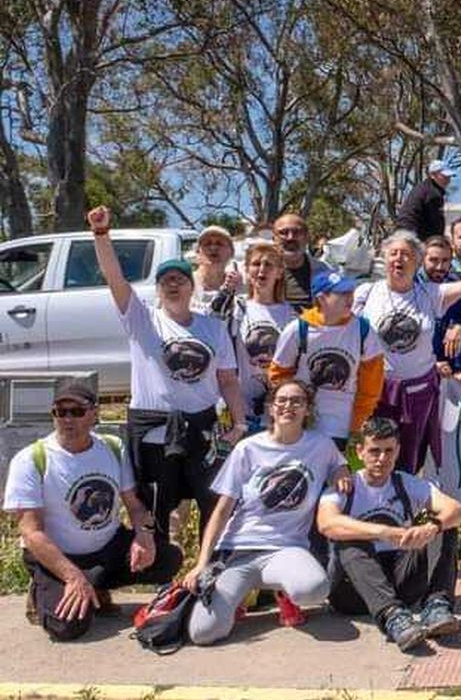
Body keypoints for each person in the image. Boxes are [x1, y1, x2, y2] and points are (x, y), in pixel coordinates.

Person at [88, 206, 246, 541]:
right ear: (157, 290)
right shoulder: (142, 320)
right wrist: (101, 234)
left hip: (202, 428)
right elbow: (114, 277)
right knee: (159, 504)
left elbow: (228, 380)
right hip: (155, 431)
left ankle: (208, 569)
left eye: (179, 279)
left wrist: (240, 423)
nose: (173, 285)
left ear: (192, 287)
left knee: (212, 499)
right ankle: (162, 566)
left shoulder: (213, 328)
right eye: (165, 281)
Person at [5, 379, 182, 641]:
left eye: (76, 412)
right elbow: (32, 534)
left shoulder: (111, 448)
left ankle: (95, 586)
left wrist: (143, 536)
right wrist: (73, 576)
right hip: (59, 558)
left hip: (106, 549)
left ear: (94, 414)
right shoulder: (32, 459)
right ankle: (45, 590)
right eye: (60, 412)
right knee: (67, 627)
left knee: (167, 558)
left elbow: (134, 505)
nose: (67, 419)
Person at [183, 377, 348, 643]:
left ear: (308, 410)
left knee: (315, 589)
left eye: (297, 401)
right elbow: (222, 510)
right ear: (271, 408)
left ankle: (282, 592)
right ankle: (238, 597)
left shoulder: (321, 445)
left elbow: (339, 466)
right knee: (203, 633)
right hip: (238, 551)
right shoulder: (248, 448)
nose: (288, 406)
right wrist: (202, 563)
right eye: (281, 400)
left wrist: (341, 472)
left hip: (286, 548)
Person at [356, 232, 461, 474]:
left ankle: (403, 506)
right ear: (384, 257)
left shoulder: (430, 293)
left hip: (418, 393)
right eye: (394, 253)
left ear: (417, 261)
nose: (399, 259)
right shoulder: (366, 294)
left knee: (409, 458)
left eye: (407, 254)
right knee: (376, 453)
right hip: (378, 391)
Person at [318, 416, 461, 651]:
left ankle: (437, 605)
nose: (382, 459)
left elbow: (456, 510)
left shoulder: (406, 483)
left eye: (388, 451)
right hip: (352, 589)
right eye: (374, 451)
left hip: (401, 577)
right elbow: (327, 524)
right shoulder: (345, 486)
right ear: (360, 452)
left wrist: (430, 527)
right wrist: (383, 532)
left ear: (398, 451)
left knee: (443, 527)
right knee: (349, 539)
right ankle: (393, 617)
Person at [268, 271, 386, 448]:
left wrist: (357, 424)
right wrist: (292, 413)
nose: (350, 298)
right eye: (342, 294)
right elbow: (278, 376)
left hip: (343, 429)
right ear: (322, 299)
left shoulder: (364, 331)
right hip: (302, 427)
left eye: (350, 293)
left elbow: (371, 386)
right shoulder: (297, 329)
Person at [235, 243, 297, 432]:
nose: (261, 270)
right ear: (247, 270)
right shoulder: (236, 308)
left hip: (274, 411)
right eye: (255, 264)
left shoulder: (291, 314)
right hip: (238, 408)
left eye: (269, 265)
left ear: (279, 272)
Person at [274, 213, 331, 312]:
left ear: (306, 238)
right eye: (283, 232)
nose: (290, 237)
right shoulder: (258, 272)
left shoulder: (324, 273)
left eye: (297, 232)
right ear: (274, 239)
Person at [395, 160, 450, 240]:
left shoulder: (423, 188)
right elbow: (435, 223)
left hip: (404, 232)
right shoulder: (433, 194)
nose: (448, 180)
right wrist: (438, 240)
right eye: (444, 176)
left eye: (449, 177)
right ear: (432, 175)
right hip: (412, 235)